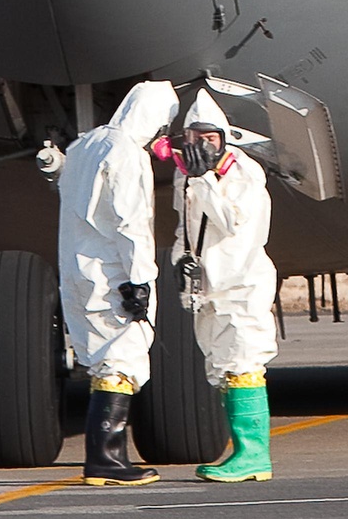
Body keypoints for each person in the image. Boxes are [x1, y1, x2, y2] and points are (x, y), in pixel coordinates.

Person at [58, 80, 180, 487]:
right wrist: (140, 280)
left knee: (101, 358)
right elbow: (132, 224)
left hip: (77, 269)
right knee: (122, 358)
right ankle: (106, 460)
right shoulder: (126, 154)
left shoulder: (85, 145)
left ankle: (105, 457)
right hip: (112, 272)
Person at [169, 88, 278, 483]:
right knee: (220, 366)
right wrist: (181, 262)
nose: (203, 145)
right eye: (195, 138)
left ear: (224, 137)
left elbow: (231, 222)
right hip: (208, 285)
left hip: (240, 284)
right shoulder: (187, 174)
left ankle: (254, 456)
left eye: (210, 138)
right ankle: (242, 452)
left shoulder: (242, 172)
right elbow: (187, 226)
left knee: (242, 361)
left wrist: (206, 181)